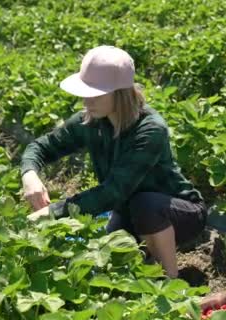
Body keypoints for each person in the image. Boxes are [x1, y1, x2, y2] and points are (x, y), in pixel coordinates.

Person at [20, 45, 207, 278]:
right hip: (127, 210)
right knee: (107, 264)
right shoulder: (91, 121)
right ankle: (147, 255)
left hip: (178, 212)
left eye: (95, 93)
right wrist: (30, 174)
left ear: (119, 93)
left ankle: (171, 281)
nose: (86, 99)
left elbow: (113, 192)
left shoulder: (149, 130)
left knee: (145, 205)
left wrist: (51, 213)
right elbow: (40, 147)